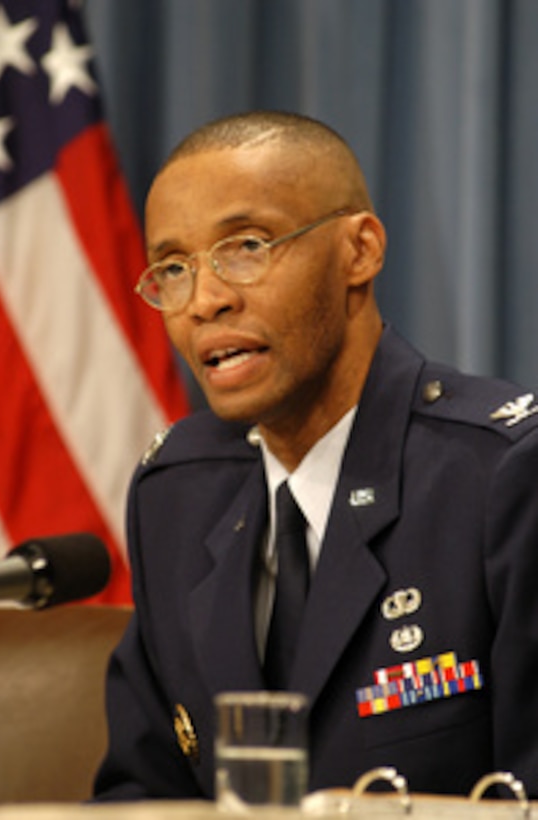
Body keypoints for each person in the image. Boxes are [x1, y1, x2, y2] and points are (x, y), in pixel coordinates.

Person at [93, 111, 538, 801]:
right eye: (173, 268)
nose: (205, 300)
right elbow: (141, 794)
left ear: (359, 250)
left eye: (246, 246)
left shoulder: (503, 475)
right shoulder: (175, 493)